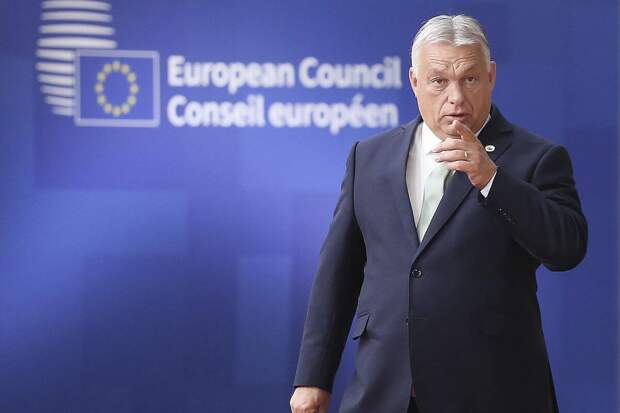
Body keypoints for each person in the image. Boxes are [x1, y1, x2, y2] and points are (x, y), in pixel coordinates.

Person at [290, 14, 587, 413]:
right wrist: (313, 377)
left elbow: (567, 248)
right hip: (383, 391)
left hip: (493, 393)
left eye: (470, 79)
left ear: (491, 76)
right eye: (439, 81)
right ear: (414, 81)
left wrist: (492, 180)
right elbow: (337, 274)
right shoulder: (369, 157)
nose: (456, 97)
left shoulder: (538, 157)